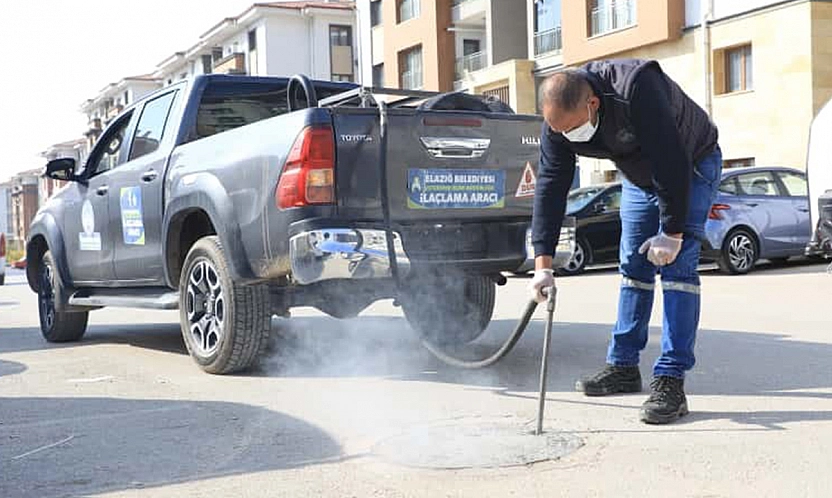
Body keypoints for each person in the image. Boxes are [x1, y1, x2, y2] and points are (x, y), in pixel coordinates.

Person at [529, 58, 722, 424]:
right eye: (559, 131)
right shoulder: (558, 122)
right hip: (637, 175)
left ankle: (670, 378)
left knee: (677, 267)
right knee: (633, 266)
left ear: (593, 105)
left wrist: (672, 232)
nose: (567, 137)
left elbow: (671, 158)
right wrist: (543, 265)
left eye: (572, 129)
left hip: (691, 164)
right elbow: (551, 186)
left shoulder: (636, 87)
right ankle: (624, 366)